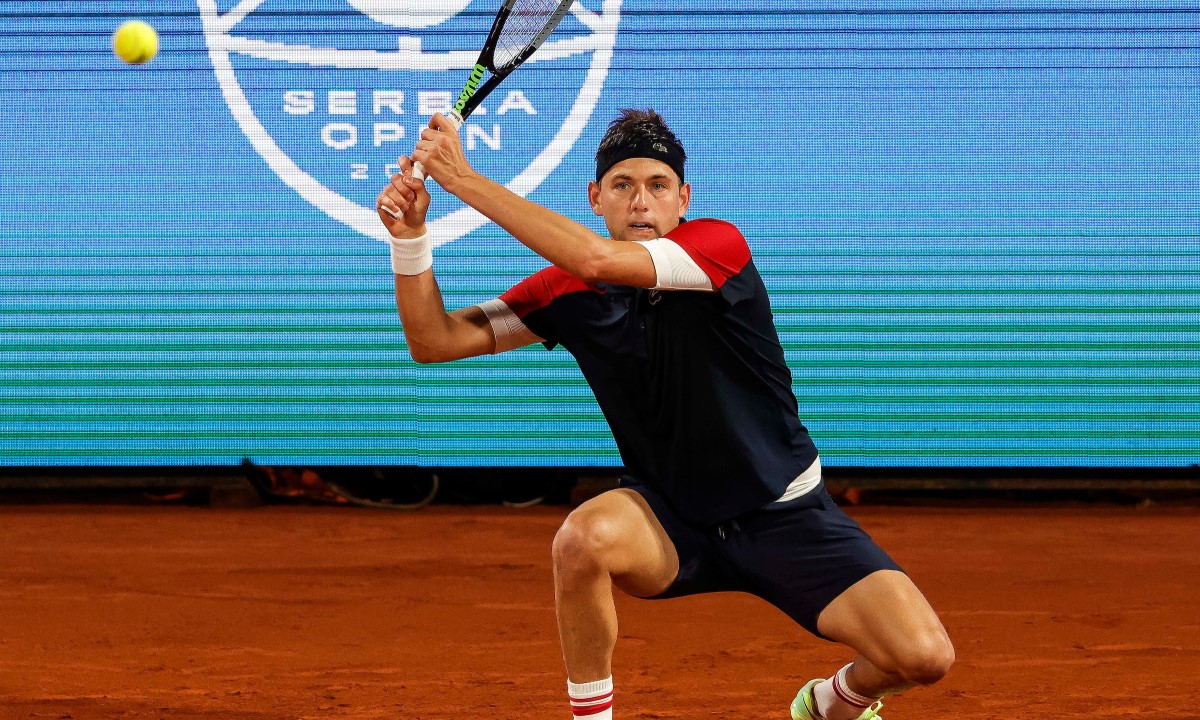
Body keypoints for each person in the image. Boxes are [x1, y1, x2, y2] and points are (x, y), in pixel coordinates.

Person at [376, 108, 954, 720]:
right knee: (582, 539)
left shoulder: (717, 248)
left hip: (785, 516)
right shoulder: (564, 292)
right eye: (622, 185)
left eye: (657, 185)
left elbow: (598, 259)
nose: (640, 201)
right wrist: (410, 238)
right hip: (669, 519)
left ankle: (830, 704)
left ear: (684, 199)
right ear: (595, 198)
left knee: (923, 657)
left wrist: (462, 179)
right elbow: (434, 341)